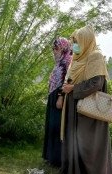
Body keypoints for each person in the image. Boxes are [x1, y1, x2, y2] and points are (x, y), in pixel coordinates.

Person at [60, 26, 112, 174]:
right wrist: (67, 85)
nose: (75, 45)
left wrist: (73, 88)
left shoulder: (95, 56)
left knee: (88, 145)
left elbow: (97, 82)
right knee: (74, 141)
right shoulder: (77, 59)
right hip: (74, 106)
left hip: (89, 111)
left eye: (78, 41)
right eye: (74, 41)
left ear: (87, 41)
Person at [42, 37, 72, 167]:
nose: (54, 51)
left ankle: (57, 159)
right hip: (53, 98)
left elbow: (67, 81)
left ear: (64, 48)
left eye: (57, 48)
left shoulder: (68, 63)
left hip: (60, 99)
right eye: (53, 49)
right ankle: (50, 156)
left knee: (57, 127)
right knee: (51, 125)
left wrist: (60, 96)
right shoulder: (59, 63)